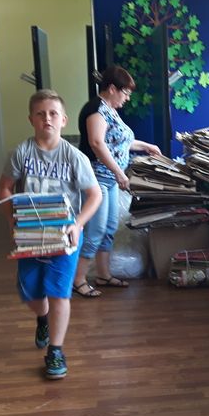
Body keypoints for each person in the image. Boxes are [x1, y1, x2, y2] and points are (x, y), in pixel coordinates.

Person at [0, 89, 103, 380]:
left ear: (64, 120)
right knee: (31, 292)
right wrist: (12, 220)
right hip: (30, 232)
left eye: (53, 113)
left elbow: (94, 195)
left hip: (65, 233)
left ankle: (55, 350)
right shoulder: (21, 153)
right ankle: (42, 318)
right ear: (31, 119)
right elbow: (4, 187)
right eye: (41, 113)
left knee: (58, 292)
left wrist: (77, 224)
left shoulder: (75, 157)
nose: (47, 119)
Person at [75, 65, 162, 298]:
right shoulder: (96, 109)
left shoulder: (110, 110)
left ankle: (103, 275)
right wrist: (119, 173)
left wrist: (146, 146)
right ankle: (78, 279)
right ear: (112, 88)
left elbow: (119, 142)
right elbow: (96, 143)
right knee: (95, 230)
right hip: (98, 179)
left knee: (109, 228)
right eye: (125, 93)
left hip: (110, 179)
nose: (127, 98)